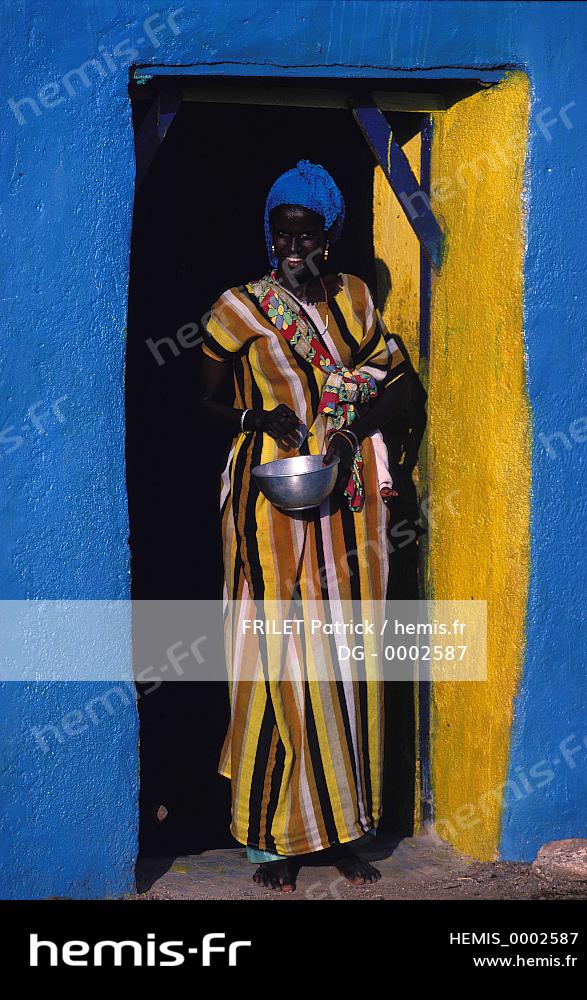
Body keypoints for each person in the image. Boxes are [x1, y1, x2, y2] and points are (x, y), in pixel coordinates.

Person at [199, 159, 415, 892]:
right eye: (282, 232)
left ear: (329, 236)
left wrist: (352, 434)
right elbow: (201, 402)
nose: (293, 246)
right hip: (270, 502)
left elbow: (399, 381)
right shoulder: (240, 307)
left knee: (345, 658)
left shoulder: (354, 299)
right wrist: (257, 418)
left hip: (345, 501)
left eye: (306, 234)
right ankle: (275, 838)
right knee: (277, 654)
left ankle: (343, 832)